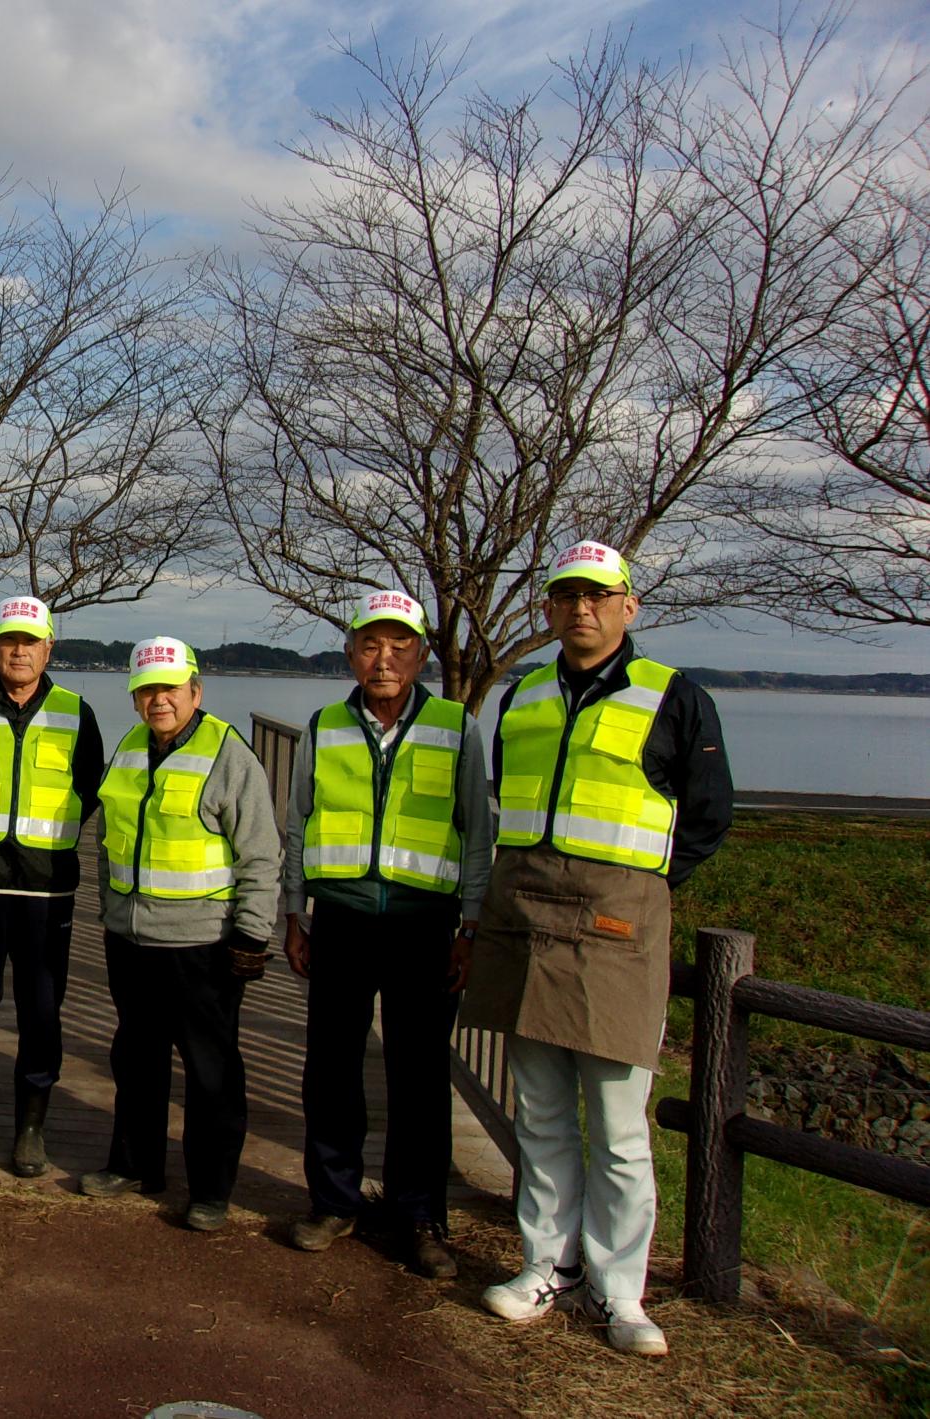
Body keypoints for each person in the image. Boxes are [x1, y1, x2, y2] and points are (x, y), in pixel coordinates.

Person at [464, 540, 733, 1358]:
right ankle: (547, 1265)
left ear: (629, 605)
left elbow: (708, 814)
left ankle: (622, 1291)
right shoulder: (524, 696)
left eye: (597, 595)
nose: (580, 608)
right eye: (566, 595)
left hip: (618, 932)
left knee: (619, 1124)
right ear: (547, 608)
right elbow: (507, 792)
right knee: (541, 1111)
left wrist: (644, 883)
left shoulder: (674, 697)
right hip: (526, 923)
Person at [282, 590, 495, 1279]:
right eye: (370, 645)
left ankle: (419, 1214)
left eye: (399, 646)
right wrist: (295, 913)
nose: (384, 658)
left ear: (421, 655)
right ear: (351, 653)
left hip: (423, 923)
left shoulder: (456, 727)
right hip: (340, 917)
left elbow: (476, 832)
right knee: (332, 1067)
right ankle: (333, 1201)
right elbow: (298, 820)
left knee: (420, 1074)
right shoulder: (325, 724)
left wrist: (471, 923)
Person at [80, 637, 281, 1232]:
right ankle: (135, 1165)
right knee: (136, 1059)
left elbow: (261, 853)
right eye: (146, 690)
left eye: (170, 688)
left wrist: (252, 932)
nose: (158, 700)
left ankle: (210, 1190)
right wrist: (112, 911)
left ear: (196, 690)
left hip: (204, 944)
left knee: (210, 1070)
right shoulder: (129, 748)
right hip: (132, 938)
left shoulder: (229, 755)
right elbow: (111, 839)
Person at [0, 595, 104, 1176]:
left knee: (42, 1012)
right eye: (9, 640)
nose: (19, 650)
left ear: (47, 648)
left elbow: (88, 790)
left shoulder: (76, 712)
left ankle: (31, 1131)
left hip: (47, 892)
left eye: (30, 641)